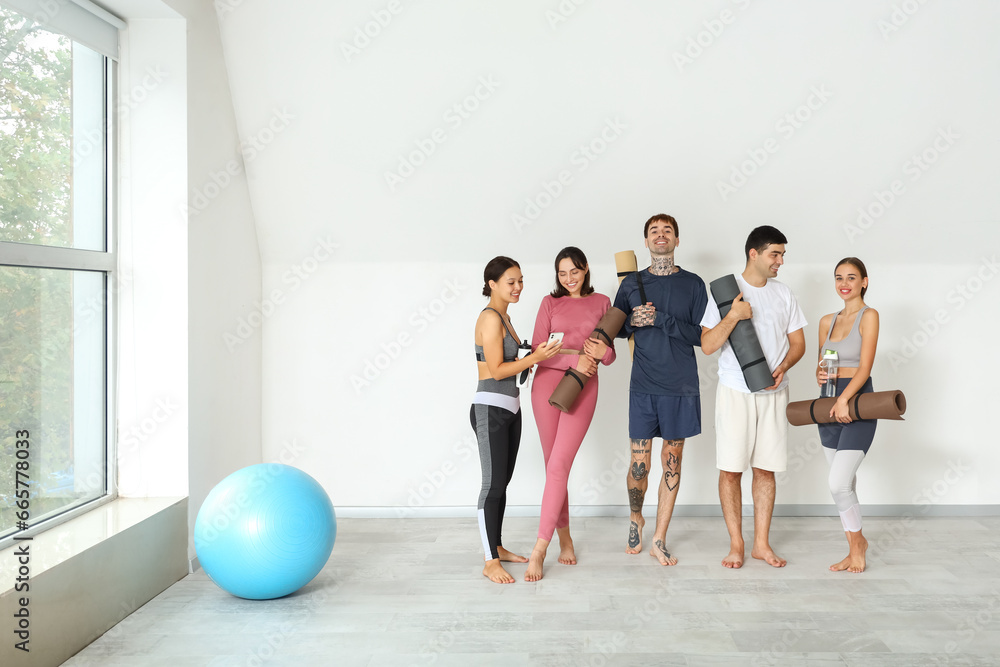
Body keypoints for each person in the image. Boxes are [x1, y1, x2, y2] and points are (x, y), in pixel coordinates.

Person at [700, 226, 806, 569]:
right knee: (731, 470)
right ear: (754, 253)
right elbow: (707, 345)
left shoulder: (784, 293)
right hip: (735, 390)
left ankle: (761, 544)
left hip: (775, 392)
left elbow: (799, 344)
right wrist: (733, 315)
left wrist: (784, 366)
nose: (780, 261)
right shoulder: (726, 290)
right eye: (775, 254)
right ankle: (737, 543)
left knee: (766, 469)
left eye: (782, 255)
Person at [613, 214, 708, 565]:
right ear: (646, 241)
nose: (661, 235)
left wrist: (662, 320)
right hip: (643, 386)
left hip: (681, 388)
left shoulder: (694, 284)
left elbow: (704, 336)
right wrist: (631, 324)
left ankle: (660, 537)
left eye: (667, 230)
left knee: (672, 464)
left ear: (677, 240)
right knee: (640, 462)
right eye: (654, 231)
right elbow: (614, 328)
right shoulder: (630, 284)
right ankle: (636, 517)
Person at [525, 247, 617, 581]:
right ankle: (564, 538)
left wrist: (600, 353)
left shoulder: (602, 302)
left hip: (584, 386)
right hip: (546, 385)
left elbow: (609, 357)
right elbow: (538, 351)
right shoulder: (549, 303)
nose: (569, 279)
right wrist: (572, 359)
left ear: (586, 269)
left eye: (574, 272)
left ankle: (539, 549)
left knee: (559, 465)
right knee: (554, 468)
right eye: (562, 274)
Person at [473, 256, 561, 584]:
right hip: (491, 407)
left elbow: (510, 361)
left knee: (502, 484)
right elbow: (495, 370)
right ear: (492, 284)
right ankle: (489, 560)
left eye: (521, 280)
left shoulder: (505, 318)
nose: (518, 287)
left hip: (511, 406)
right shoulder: (491, 318)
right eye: (511, 282)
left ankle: (496, 545)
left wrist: (532, 357)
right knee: (491, 485)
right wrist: (535, 358)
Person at [815, 257, 879, 573]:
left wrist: (844, 399)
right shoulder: (826, 321)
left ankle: (858, 547)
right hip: (828, 405)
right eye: (839, 277)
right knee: (846, 484)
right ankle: (855, 546)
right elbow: (823, 366)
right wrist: (820, 375)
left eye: (852, 277)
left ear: (863, 282)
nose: (844, 283)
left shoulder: (869, 316)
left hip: (856, 403)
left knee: (837, 484)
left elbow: (865, 367)